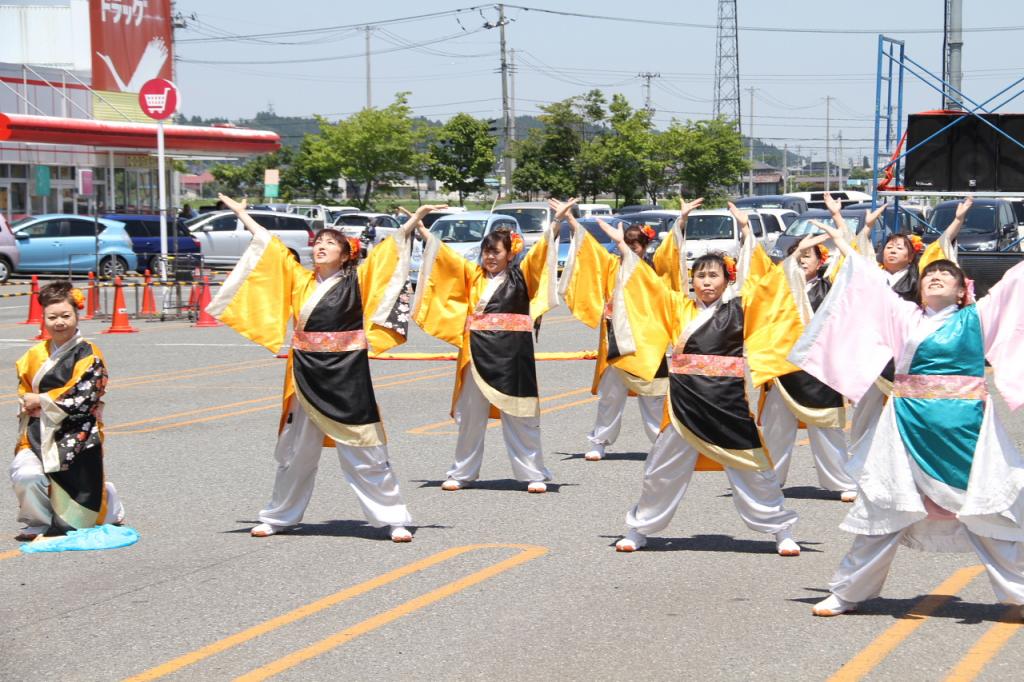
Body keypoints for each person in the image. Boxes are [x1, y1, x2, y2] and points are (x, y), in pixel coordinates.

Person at [789, 210, 1024, 617]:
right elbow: (867, 284)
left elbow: (1014, 285)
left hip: (965, 432)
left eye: (946, 276)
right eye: (930, 275)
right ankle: (847, 592)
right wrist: (844, 243)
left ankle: (1019, 594)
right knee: (884, 508)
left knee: (986, 513)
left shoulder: (978, 318)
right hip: (905, 427)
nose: (936, 278)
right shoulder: (904, 317)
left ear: (962, 290)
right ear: (920, 289)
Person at [207, 194, 442, 542]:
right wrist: (243, 215)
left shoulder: (357, 280)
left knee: (366, 450)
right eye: (318, 242)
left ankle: (393, 517)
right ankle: (278, 516)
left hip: (347, 375)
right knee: (296, 452)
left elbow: (387, 254)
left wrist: (413, 221)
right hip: (305, 375)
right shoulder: (299, 280)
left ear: (346, 254)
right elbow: (269, 246)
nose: (321, 247)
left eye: (330, 243)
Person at [589, 204, 802, 556]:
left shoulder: (740, 308)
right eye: (700, 276)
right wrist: (624, 249)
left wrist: (752, 235)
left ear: (727, 279)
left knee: (755, 469)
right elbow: (646, 287)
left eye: (713, 276)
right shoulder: (678, 307)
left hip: (727, 403)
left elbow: (770, 289)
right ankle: (639, 528)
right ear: (692, 280)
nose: (706, 282)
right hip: (683, 403)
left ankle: (780, 529)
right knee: (660, 469)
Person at [410, 201, 562, 494]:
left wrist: (557, 223)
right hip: (476, 353)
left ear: (510, 254)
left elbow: (542, 253)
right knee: (470, 417)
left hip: (513, 356)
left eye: (496, 252)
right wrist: (423, 230)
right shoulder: (473, 274)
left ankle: (533, 472)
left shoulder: (523, 275)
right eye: (486, 251)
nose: (489, 257)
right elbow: (446, 259)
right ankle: (462, 472)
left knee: (521, 415)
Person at [559, 198, 684, 461]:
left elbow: (671, 252)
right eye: (624, 244)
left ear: (645, 246)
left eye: (633, 245)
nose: (627, 248)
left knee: (652, 396)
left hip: (647, 342)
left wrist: (681, 219)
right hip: (616, 339)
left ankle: (663, 443)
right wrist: (570, 220)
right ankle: (599, 441)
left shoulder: (653, 268)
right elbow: (589, 250)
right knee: (610, 396)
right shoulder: (611, 265)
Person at [846, 198, 966, 468]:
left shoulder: (917, 277)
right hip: (870, 352)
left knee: (904, 413)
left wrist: (957, 222)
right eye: (889, 246)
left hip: (902, 353)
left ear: (911, 256)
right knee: (864, 413)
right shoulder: (873, 274)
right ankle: (859, 468)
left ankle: (903, 465)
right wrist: (866, 228)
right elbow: (856, 257)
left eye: (899, 248)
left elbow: (940, 252)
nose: (891, 251)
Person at [758, 193, 862, 502]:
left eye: (808, 255)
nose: (802, 260)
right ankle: (771, 480)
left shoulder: (831, 288)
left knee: (827, 428)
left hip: (820, 369)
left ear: (821, 262)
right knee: (778, 429)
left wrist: (838, 220)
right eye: (797, 255)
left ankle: (841, 481)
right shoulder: (779, 289)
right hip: (784, 367)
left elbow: (852, 260)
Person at [10, 281, 124, 541]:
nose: (59, 322)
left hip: (78, 432)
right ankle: (37, 521)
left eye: (65, 315)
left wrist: (39, 399)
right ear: (43, 318)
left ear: (76, 315)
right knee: (26, 473)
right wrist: (31, 402)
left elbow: (85, 394)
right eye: (52, 317)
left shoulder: (89, 354)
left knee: (83, 509)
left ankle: (108, 502)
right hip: (37, 431)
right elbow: (23, 393)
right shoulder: (33, 355)